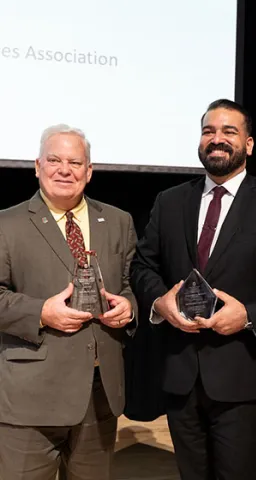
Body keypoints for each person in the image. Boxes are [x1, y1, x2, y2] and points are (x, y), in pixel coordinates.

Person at [130, 98, 256, 480]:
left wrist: (250, 315)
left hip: (244, 374)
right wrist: (160, 303)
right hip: (180, 374)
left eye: (229, 131)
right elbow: (143, 265)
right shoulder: (170, 202)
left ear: (248, 144)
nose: (217, 139)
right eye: (208, 131)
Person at [0, 124, 137, 480]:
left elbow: (127, 286)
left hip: (99, 397)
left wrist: (128, 307)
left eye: (75, 162)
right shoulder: (6, 224)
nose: (65, 170)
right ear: (37, 165)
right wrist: (41, 313)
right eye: (54, 160)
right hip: (30, 399)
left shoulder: (119, 222)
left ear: (89, 171)